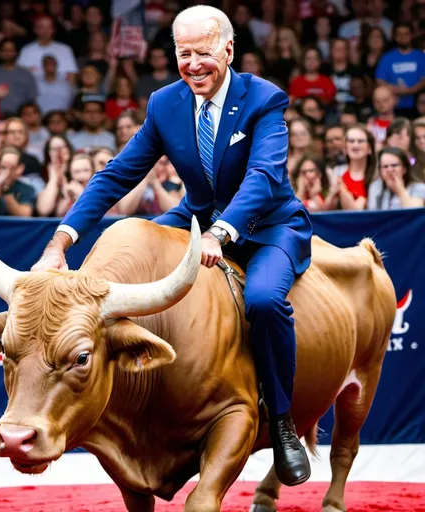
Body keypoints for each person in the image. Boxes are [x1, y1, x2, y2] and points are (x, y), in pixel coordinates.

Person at [31, 5, 312, 487]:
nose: (194, 64)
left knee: (264, 301)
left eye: (203, 52)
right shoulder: (164, 102)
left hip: (269, 225)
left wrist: (220, 234)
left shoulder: (264, 98)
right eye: (184, 54)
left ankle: (283, 423)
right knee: (133, 248)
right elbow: (118, 173)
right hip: (196, 215)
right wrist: (60, 240)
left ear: (228, 49)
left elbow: (264, 178)